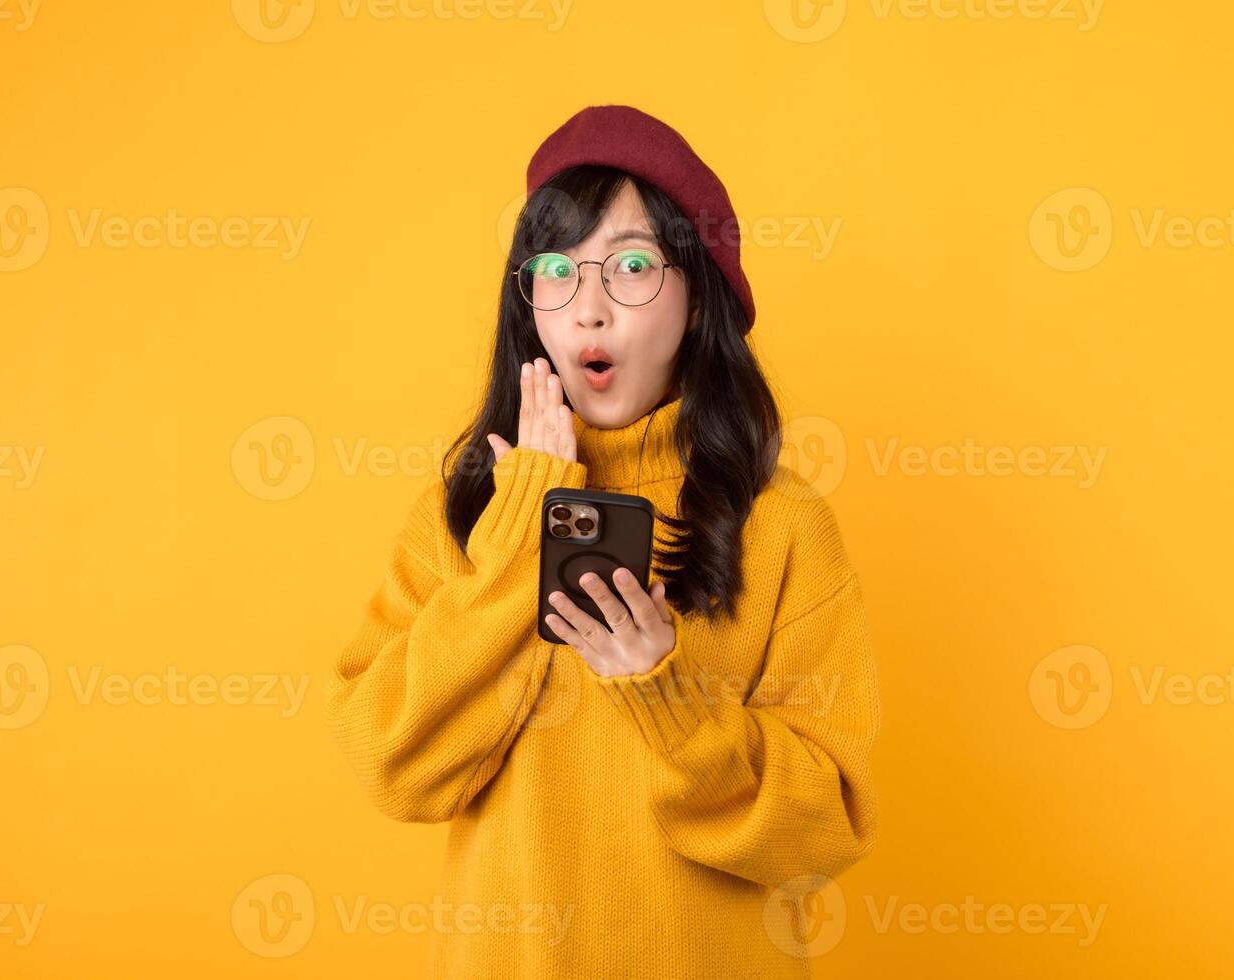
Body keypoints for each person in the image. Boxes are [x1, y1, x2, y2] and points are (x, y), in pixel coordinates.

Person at [324, 104, 880, 978]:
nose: (588, 310)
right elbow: (391, 766)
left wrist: (669, 696)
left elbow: (822, 836)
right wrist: (516, 539)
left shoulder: (782, 524)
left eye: (629, 266)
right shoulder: (468, 509)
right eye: (555, 270)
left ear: (701, 298)